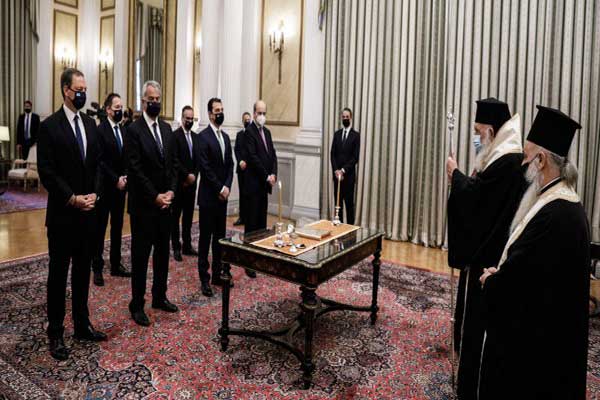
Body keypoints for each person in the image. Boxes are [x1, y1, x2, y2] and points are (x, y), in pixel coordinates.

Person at [478, 106, 590, 399]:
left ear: (541, 160)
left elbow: (522, 280)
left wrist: (493, 281)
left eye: (527, 158)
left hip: (538, 349)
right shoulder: (562, 201)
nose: (524, 165)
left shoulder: (555, 214)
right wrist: (504, 272)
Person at [445, 98, 527, 399]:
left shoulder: (507, 161)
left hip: (488, 257)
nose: (476, 138)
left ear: (491, 131)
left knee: (477, 323)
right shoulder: (502, 155)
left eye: (478, 132)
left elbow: (478, 202)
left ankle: (472, 385)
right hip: (486, 249)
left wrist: (455, 175)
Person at [37, 68, 107, 360]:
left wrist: (94, 195)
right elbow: (47, 172)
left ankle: (81, 324)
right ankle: (55, 332)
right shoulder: (49, 127)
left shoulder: (90, 124)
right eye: (79, 89)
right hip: (63, 215)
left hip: (88, 214)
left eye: (85, 89)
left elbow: (99, 164)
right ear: (66, 90)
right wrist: (72, 198)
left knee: (81, 272)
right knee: (58, 275)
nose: (83, 94)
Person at [124, 80, 179, 327]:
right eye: (151, 99)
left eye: (158, 99)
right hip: (144, 206)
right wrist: (155, 196)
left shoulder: (167, 129)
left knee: (162, 254)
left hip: (165, 205)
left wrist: (171, 192)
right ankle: (137, 304)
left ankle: (159, 296)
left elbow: (174, 165)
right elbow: (135, 169)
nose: (155, 103)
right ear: (143, 101)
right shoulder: (133, 130)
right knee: (140, 257)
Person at [92, 93, 131, 286]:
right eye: (116, 107)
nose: (119, 110)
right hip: (105, 187)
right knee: (99, 229)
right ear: (108, 110)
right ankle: (97, 267)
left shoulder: (123, 130)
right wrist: (115, 179)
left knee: (117, 227)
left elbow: (127, 157)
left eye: (121, 107)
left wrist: (125, 177)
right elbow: (100, 160)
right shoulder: (100, 130)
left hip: (121, 189)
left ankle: (116, 264)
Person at [196, 98, 234, 296]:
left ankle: (218, 274)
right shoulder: (203, 137)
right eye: (217, 110)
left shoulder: (225, 137)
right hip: (209, 197)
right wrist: (219, 188)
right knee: (205, 239)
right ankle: (204, 278)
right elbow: (205, 168)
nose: (220, 113)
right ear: (210, 114)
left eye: (222, 110)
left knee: (220, 238)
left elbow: (230, 165)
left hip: (222, 198)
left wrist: (227, 186)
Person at [242, 100, 278, 278]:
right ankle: (248, 261)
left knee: (262, 223)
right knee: (251, 224)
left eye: (264, 113)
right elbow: (253, 157)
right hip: (253, 185)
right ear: (254, 113)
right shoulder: (249, 132)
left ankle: (260, 257)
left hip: (264, 186)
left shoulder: (268, 132)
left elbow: (273, 155)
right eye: (259, 113)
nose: (262, 116)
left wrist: (274, 174)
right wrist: (266, 175)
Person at [171, 105, 199, 261]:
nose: (189, 121)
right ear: (182, 118)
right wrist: (186, 176)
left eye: (191, 118)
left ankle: (187, 245)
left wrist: (193, 176)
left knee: (188, 217)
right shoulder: (175, 136)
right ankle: (176, 247)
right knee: (175, 217)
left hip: (192, 185)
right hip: (179, 185)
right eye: (187, 118)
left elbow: (198, 160)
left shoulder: (196, 137)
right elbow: (174, 160)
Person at [330, 108, 360, 224]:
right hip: (337, 177)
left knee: (349, 206)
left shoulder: (355, 136)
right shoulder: (337, 134)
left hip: (348, 177)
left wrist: (343, 170)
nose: (345, 119)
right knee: (338, 207)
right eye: (343, 117)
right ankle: (340, 229)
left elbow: (355, 157)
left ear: (351, 118)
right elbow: (332, 154)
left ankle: (351, 230)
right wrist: (336, 170)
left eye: (347, 117)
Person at [233, 112, 252, 226]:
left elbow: (252, 152)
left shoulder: (253, 135)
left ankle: (249, 217)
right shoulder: (239, 134)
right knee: (242, 194)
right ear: (242, 121)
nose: (247, 121)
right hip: (241, 169)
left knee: (249, 194)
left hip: (250, 170)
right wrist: (240, 161)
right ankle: (242, 217)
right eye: (245, 120)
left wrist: (247, 162)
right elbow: (237, 149)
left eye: (249, 120)